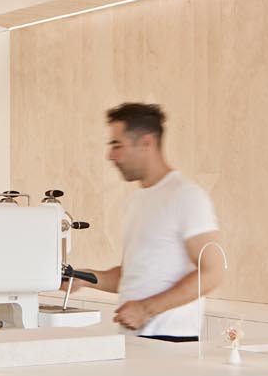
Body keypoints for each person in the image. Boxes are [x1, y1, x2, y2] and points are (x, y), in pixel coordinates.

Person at [65, 102, 224, 342]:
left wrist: (146, 309)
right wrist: (85, 278)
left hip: (172, 342)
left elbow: (213, 272)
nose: (110, 156)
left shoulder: (186, 196)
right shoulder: (138, 201)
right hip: (135, 339)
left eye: (117, 145)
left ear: (147, 143)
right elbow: (133, 275)